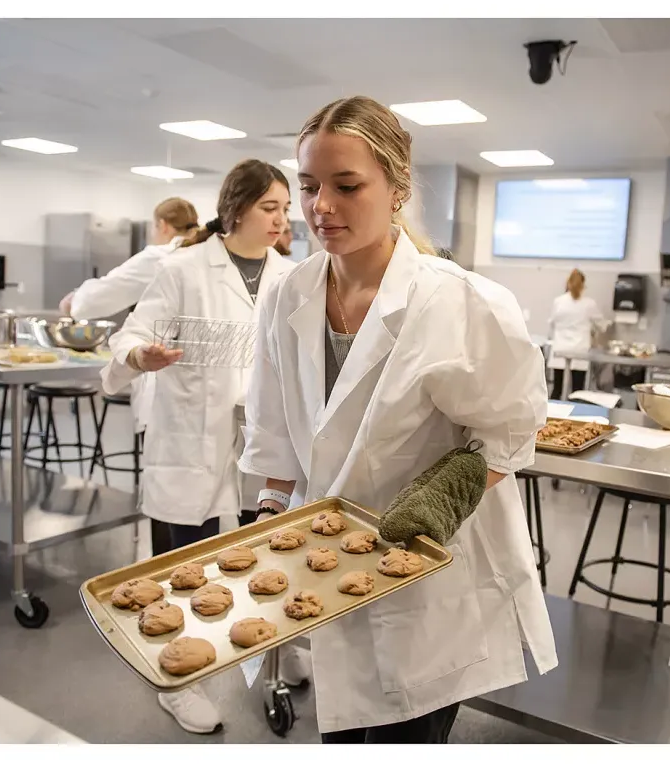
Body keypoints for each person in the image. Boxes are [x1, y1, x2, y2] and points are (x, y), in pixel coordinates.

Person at [239, 96, 557, 743]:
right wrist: (270, 513)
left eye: (346, 186)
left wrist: (439, 498)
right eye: (308, 186)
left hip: (427, 585)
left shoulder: (460, 302)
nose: (321, 206)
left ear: (397, 188)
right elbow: (275, 432)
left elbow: (512, 429)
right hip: (322, 572)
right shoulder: (289, 296)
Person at [100, 160, 303, 734]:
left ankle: (267, 651)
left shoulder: (293, 276)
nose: (281, 220)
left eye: (285, 209)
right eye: (270, 207)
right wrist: (143, 356)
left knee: (256, 561)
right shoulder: (184, 269)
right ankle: (177, 679)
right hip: (190, 441)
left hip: (259, 447)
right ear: (235, 208)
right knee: (180, 569)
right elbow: (132, 336)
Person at [59, 197, 199, 556]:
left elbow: (96, 298)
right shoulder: (203, 253)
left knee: (172, 502)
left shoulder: (160, 255)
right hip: (196, 392)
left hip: (169, 388)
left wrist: (74, 300)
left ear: (163, 225)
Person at [547, 269, 606, 400]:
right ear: (583, 285)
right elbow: (601, 325)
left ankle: (551, 415)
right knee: (577, 391)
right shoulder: (589, 303)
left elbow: (552, 323)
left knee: (557, 388)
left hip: (560, 349)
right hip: (579, 350)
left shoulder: (559, 301)